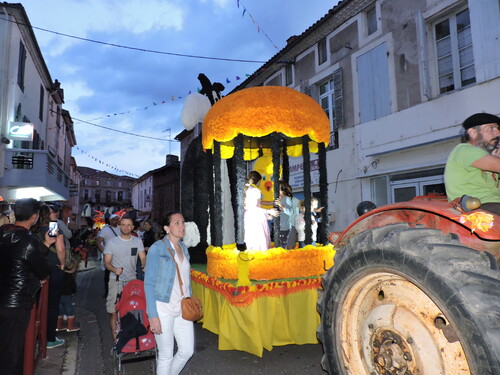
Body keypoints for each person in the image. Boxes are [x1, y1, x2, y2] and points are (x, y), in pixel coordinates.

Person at [0, 198, 52, 374]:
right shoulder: (28, 241)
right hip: (16, 302)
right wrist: (45, 245)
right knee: (12, 354)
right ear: (35, 217)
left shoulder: (3, 233)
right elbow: (43, 270)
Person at [144, 212, 194, 375]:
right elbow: (149, 283)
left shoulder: (184, 248)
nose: (182, 226)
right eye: (177, 223)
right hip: (163, 308)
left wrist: (190, 299)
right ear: (166, 228)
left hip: (182, 308)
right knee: (165, 355)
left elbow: (186, 279)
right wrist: (153, 315)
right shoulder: (157, 249)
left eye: (183, 222)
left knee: (187, 351)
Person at [444, 113, 500, 215]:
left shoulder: (487, 158)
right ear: (472, 133)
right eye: (491, 128)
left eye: (498, 129)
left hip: (493, 204)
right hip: (479, 207)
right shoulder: (464, 150)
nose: (498, 133)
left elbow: (496, 190)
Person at [104, 216, 146, 342]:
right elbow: (107, 262)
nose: (126, 227)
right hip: (115, 280)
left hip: (132, 281)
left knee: (132, 309)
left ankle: (131, 336)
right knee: (113, 311)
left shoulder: (137, 241)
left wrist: (144, 265)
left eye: (129, 225)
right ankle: (116, 339)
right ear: (119, 226)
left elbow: (142, 257)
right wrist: (114, 269)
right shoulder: (112, 243)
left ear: (133, 227)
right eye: (123, 224)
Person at [33, 204, 67, 349]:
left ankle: (35, 337)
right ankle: (49, 338)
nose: (56, 214)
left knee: (38, 305)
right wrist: (63, 264)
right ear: (47, 214)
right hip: (53, 268)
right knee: (52, 305)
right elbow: (60, 248)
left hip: (38, 268)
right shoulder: (52, 227)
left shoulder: (34, 228)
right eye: (53, 212)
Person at [244, 171, 278, 251]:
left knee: (250, 241)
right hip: (256, 219)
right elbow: (254, 207)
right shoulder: (255, 191)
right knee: (259, 241)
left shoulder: (246, 189)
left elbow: (253, 206)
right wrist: (268, 211)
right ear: (258, 181)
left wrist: (266, 215)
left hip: (248, 217)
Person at [97, 213, 121, 298]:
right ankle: (107, 292)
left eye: (117, 219)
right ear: (110, 220)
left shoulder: (120, 229)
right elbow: (99, 242)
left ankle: (118, 291)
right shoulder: (105, 230)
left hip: (119, 255)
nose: (116, 221)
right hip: (109, 256)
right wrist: (104, 252)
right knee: (108, 274)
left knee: (119, 273)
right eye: (114, 219)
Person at [274, 181, 297, 249]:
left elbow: (291, 212)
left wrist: (280, 205)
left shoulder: (286, 199)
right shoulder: (279, 199)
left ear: (283, 190)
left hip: (285, 228)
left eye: (277, 188)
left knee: (284, 247)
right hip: (279, 227)